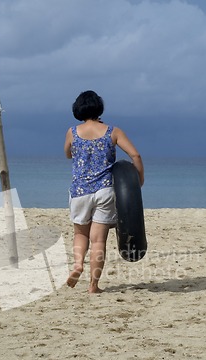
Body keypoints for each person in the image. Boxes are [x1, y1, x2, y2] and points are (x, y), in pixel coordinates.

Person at [64, 90, 144, 293]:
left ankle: (78, 265)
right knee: (98, 239)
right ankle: (93, 285)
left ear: (78, 109)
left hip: (80, 191)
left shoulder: (72, 132)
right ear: (99, 108)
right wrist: (137, 181)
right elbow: (135, 155)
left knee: (80, 233)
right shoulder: (113, 131)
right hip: (105, 191)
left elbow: (67, 153)